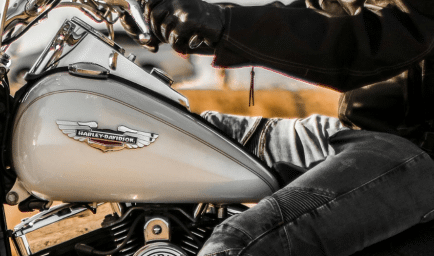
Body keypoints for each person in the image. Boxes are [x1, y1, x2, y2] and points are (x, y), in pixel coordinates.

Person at [122, 0, 434, 255]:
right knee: (169, 133)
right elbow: (322, 15)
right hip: (366, 129)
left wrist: (225, 22)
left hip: (418, 152)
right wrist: (195, 23)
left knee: (235, 245)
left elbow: (378, 39)